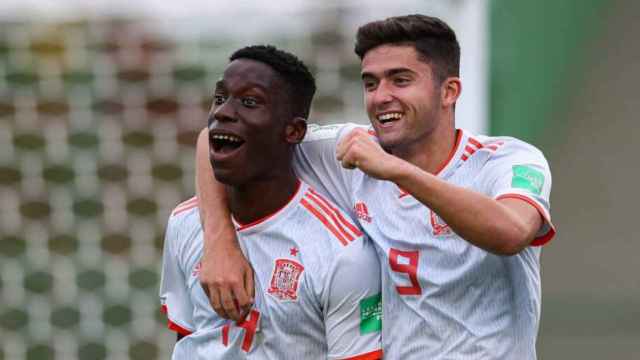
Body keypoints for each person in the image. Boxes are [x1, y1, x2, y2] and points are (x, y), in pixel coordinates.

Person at [196, 15, 555, 359]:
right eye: (371, 83)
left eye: (400, 80)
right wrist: (219, 243)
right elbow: (217, 138)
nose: (381, 96)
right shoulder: (353, 153)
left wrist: (397, 171)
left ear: (449, 92)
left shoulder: (506, 160)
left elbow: (512, 232)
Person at [160, 45, 382, 359]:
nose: (222, 112)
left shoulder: (347, 255)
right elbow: (188, 338)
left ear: (293, 131)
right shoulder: (184, 223)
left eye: (250, 102)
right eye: (220, 98)